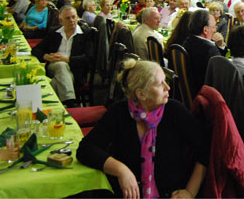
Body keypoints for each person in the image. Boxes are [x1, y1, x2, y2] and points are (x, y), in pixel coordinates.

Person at [77, 59, 207, 198]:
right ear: (141, 94)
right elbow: (86, 149)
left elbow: (205, 150)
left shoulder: (174, 111)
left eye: (165, 81)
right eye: (159, 84)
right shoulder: (119, 112)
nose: (167, 87)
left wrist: (190, 192)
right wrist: (121, 170)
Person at [31, 6, 90, 107]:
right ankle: (71, 102)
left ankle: (60, 105)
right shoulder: (54, 33)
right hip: (53, 67)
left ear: (77, 18)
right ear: (61, 20)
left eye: (74, 17)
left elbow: (88, 58)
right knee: (61, 65)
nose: (71, 20)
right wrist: (46, 57)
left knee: (55, 82)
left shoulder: (86, 33)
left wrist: (66, 59)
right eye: (68, 18)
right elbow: (35, 50)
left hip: (75, 72)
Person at [182, 10, 227, 97]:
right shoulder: (210, 50)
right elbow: (221, 75)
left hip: (188, 92)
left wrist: (220, 46)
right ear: (205, 30)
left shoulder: (187, 41)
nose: (215, 30)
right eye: (213, 27)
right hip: (205, 96)